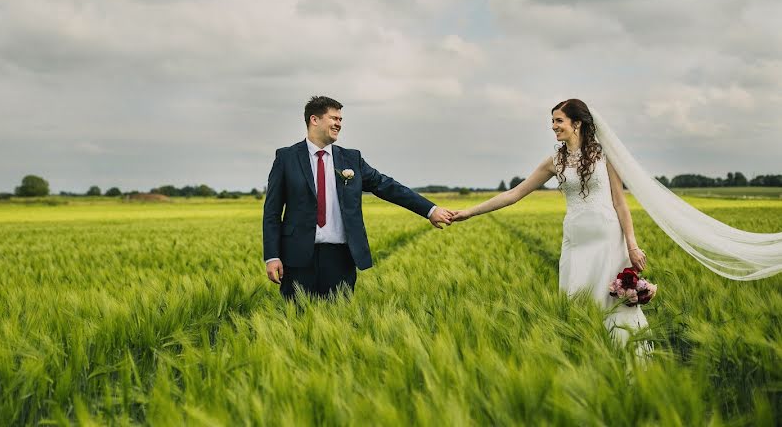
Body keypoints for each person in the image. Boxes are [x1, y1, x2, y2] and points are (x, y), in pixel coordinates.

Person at [452, 99, 649, 341]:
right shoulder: (554, 162)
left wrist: (632, 245)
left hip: (608, 239)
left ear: (577, 123)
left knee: (612, 303)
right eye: (552, 121)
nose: (553, 126)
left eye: (558, 121)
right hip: (576, 242)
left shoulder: (604, 156)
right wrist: (469, 212)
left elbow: (620, 203)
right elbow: (514, 194)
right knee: (577, 302)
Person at [263, 96, 455, 300]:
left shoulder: (351, 159)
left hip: (341, 258)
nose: (339, 124)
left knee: (339, 323)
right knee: (296, 319)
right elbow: (272, 212)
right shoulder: (286, 158)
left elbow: (387, 186)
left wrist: (430, 210)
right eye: (334, 118)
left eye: (341, 119)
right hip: (297, 258)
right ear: (314, 119)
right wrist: (272, 256)